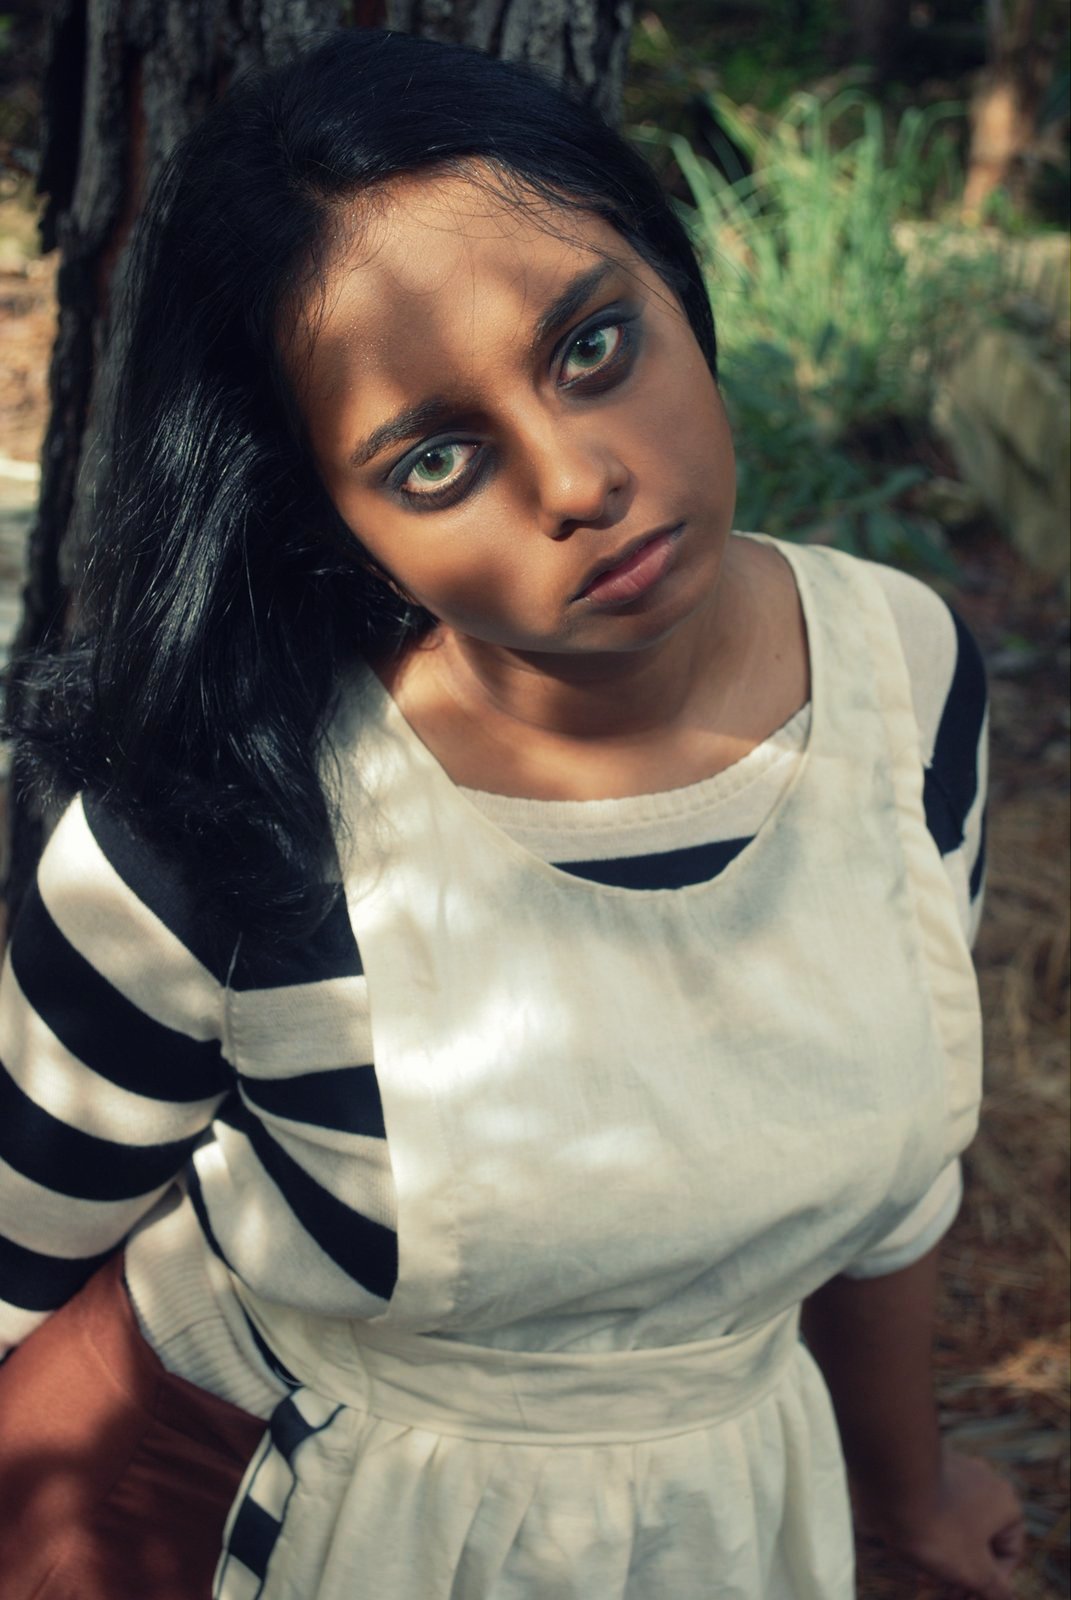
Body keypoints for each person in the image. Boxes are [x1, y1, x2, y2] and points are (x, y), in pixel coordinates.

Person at [0, 26, 1024, 1600]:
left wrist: (910, 1489)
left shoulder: (907, 670)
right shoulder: (223, 816)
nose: (576, 480)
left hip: (734, 1521)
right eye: (434, 460)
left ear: (673, 278)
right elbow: (18, 1251)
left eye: (594, 347)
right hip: (277, 1525)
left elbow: (888, 1191)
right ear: (328, 518)